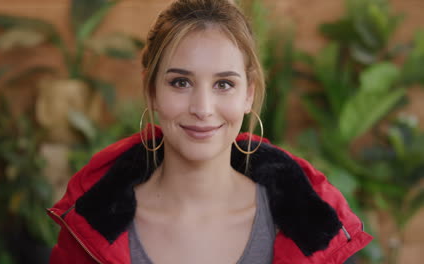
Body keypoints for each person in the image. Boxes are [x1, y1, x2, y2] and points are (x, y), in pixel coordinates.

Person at [47, 0, 373, 263]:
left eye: (224, 84)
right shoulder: (89, 227)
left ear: (248, 94)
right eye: (181, 82)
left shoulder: (315, 230)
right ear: (151, 91)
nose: (202, 108)